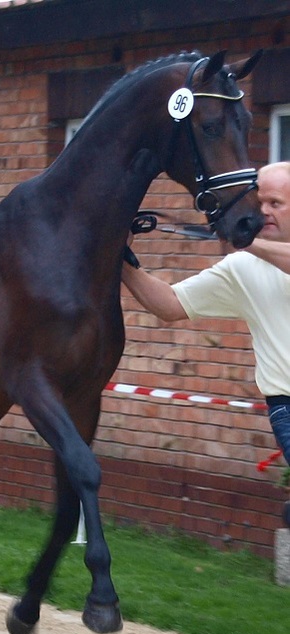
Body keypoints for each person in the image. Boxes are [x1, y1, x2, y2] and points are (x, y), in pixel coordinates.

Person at [122, 161, 290, 524]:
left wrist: (247, 240)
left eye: (275, 203)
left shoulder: (252, 252)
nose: (264, 211)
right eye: (259, 202)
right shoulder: (242, 268)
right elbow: (170, 304)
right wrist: (123, 260)